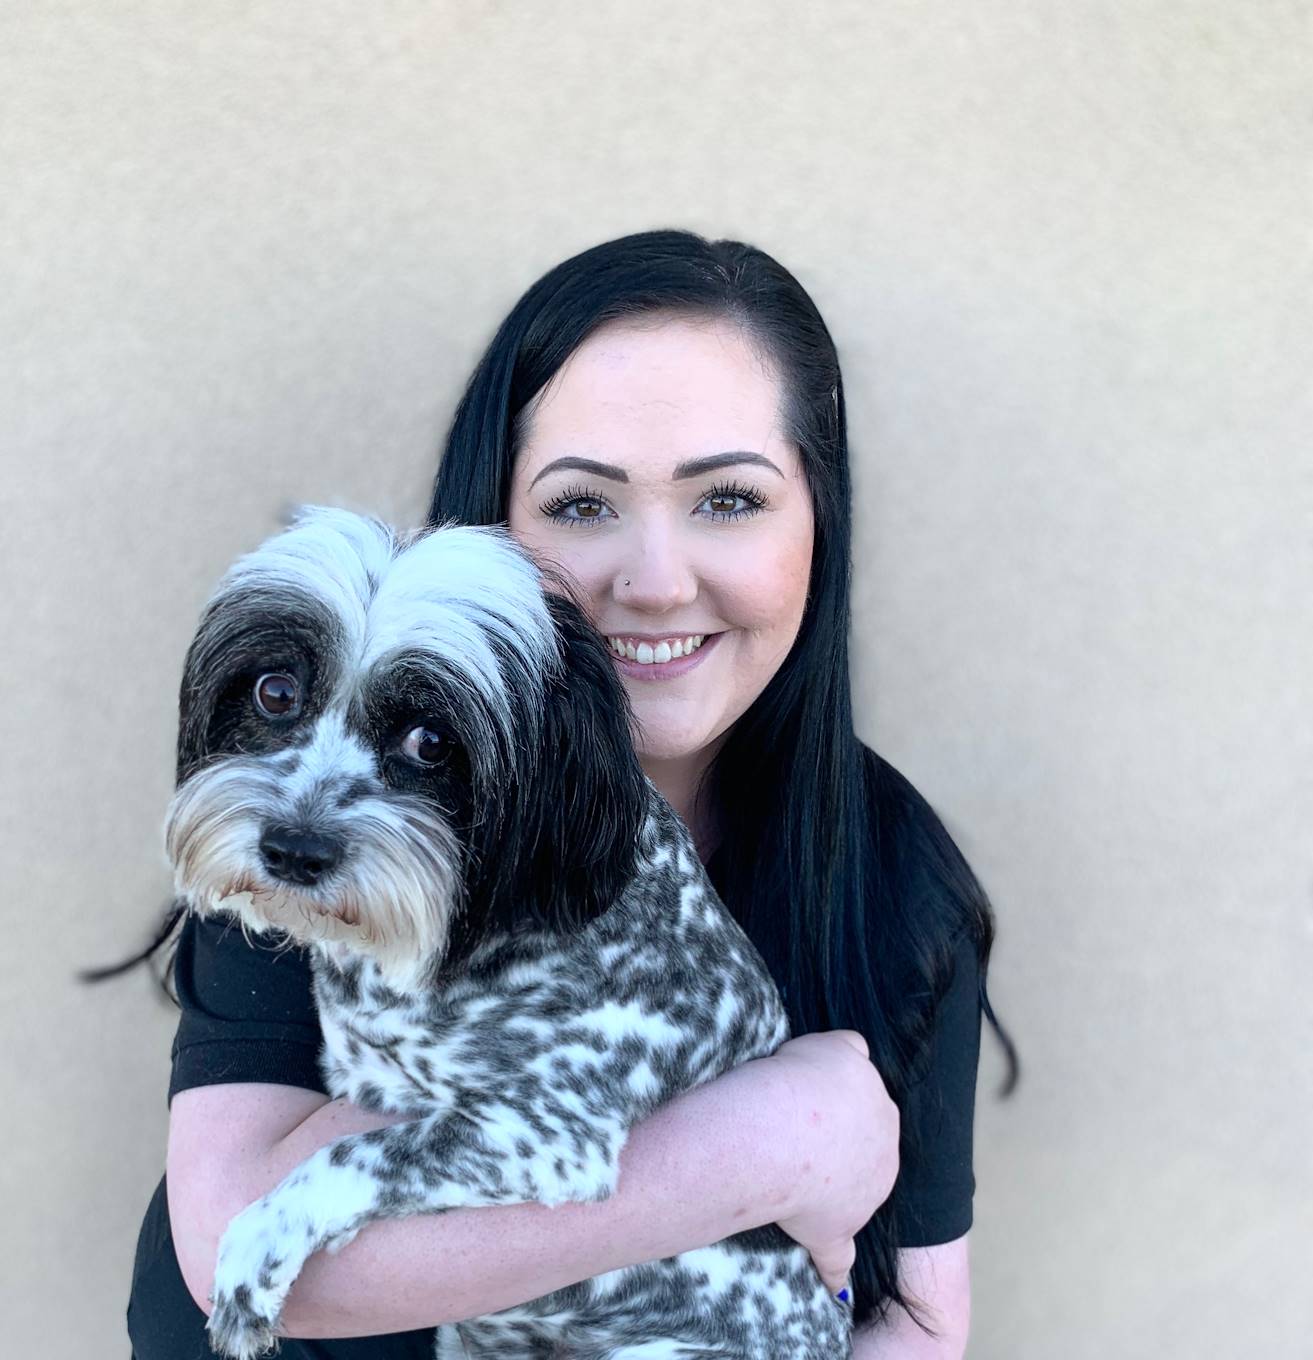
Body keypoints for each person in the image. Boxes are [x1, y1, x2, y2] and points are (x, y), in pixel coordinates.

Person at [126, 229, 1016, 1358]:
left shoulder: (887, 869)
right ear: (492, 520)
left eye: (728, 499)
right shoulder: (310, 820)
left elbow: (915, 1321)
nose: (655, 583)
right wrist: (761, 1147)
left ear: (817, 524)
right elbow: (239, 1257)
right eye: (583, 505)